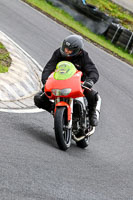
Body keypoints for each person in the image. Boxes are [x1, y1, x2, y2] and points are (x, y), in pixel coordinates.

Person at [34, 34, 99, 126]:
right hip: (59, 82)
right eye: (65, 48)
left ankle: (92, 114)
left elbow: (93, 71)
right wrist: (46, 81)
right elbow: (49, 68)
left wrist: (90, 81)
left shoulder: (84, 56)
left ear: (78, 50)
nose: (66, 51)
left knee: (92, 95)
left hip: (78, 84)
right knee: (38, 98)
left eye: (70, 50)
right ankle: (54, 110)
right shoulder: (58, 53)